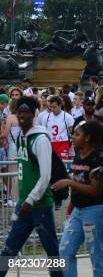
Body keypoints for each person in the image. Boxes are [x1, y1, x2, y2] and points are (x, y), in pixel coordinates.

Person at [0, 96, 60, 277]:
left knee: (52, 254)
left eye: (26, 112)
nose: (22, 115)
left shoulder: (40, 139)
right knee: (9, 250)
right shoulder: (21, 138)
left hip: (39, 206)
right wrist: (22, 203)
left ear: (34, 114)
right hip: (24, 204)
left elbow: (46, 176)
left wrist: (30, 200)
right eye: (19, 112)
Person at [56, 121, 103, 277]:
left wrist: (69, 182)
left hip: (95, 212)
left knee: (96, 256)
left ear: (88, 138)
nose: (73, 137)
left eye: (77, 134)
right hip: (78, 212)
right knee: (65, 251)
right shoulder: (78, 157)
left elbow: (95, 190)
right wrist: (71, 207)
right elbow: (78, 183)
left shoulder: (97, 160)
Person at [37, 95, 74, 160]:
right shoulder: (46, 117)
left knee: (63, 166)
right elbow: (43, 133)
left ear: (60, 105)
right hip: (50, 145)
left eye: (54, 107)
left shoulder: (68, 117)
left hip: (63, 144)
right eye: (51, 107)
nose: (52, 109)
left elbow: (72, 132)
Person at [2, 99, 20, 206]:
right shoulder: (25, 117)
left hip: (13, 148)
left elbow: (5, 134)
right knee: (22, 173)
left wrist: (3, 125)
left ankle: (14, 198)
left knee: (13, 174)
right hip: (23, 147)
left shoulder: (10, 117)